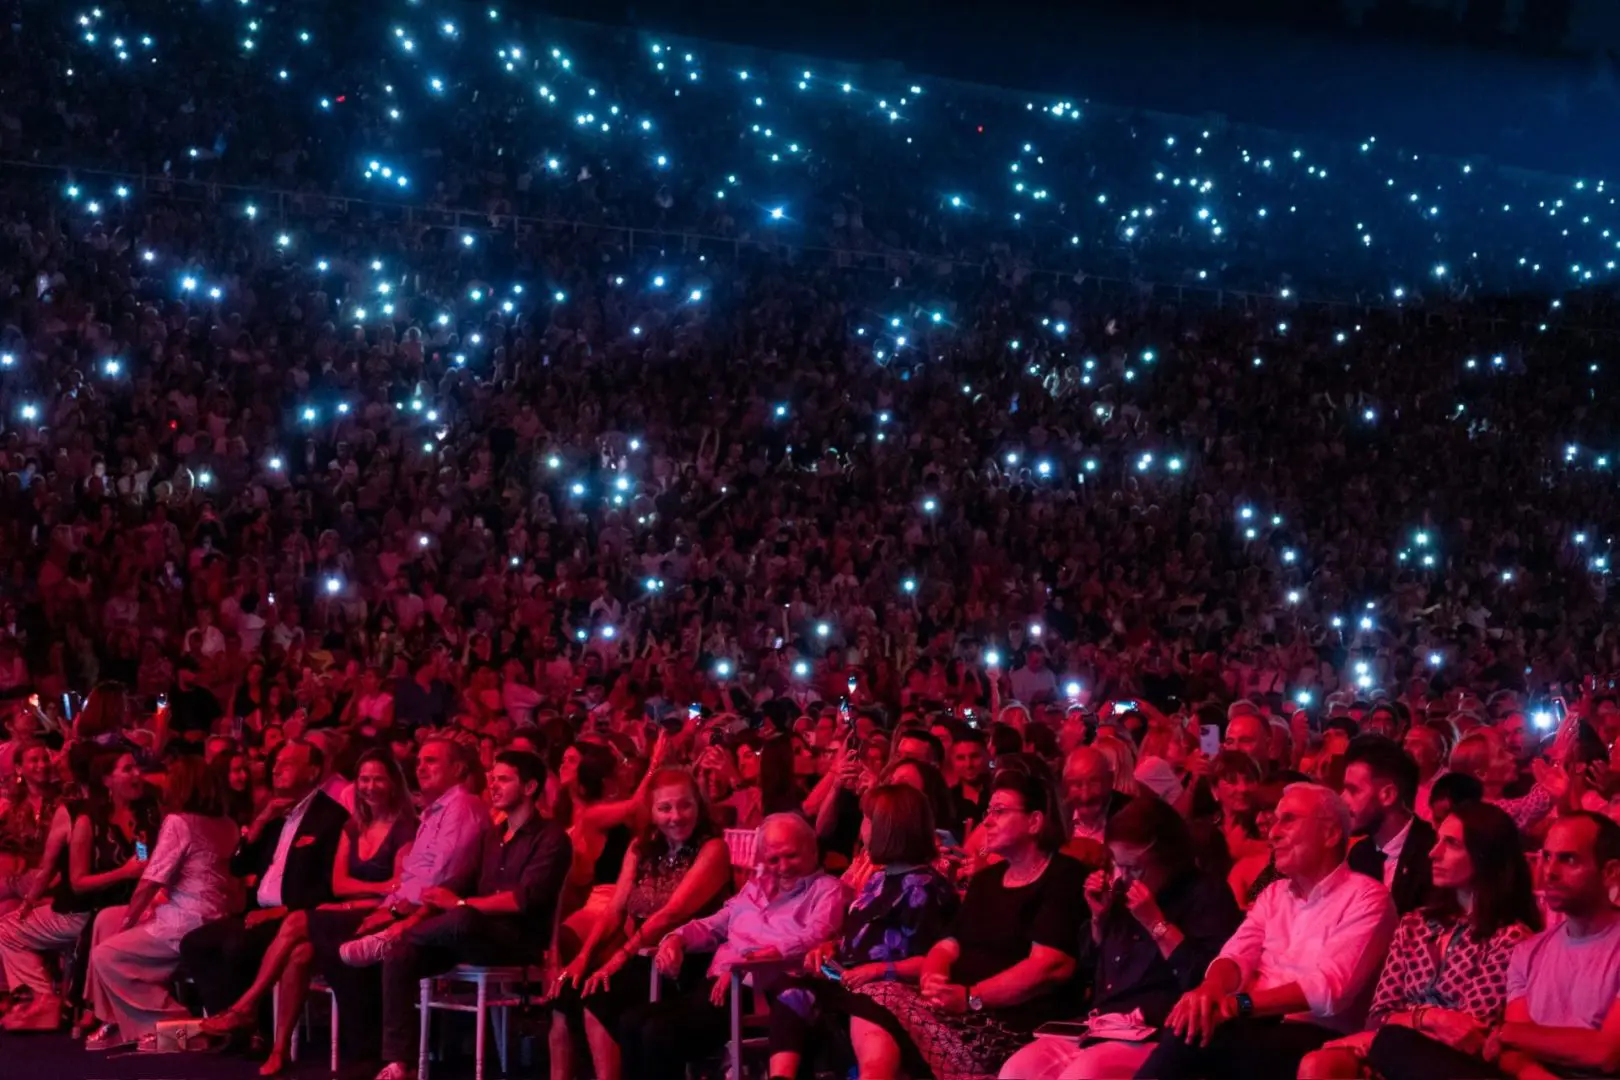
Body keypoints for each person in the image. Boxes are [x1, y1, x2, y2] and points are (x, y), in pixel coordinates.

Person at [1138, 783, 1397, 1080]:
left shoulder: (1367, 897)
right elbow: (1235, 956)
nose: (1273, 833)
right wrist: (1210, 990)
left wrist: (1238, 1005)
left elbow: (1328, 991)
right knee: (1191, 1020)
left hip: (1316, 1034)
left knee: (1192, 1036)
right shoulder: (1273, 894)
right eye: (1274, 821)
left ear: (1331, 834)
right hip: (1253, 1024)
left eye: (1289, 820)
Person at [848, 770, 1087, 1080]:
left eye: (1000, 811)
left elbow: (1049, 967)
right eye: (988, 811)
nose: (987, 821)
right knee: (873, 995)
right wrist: (934, 976)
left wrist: (972, 996)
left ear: (1035, 821)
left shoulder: (1063, 876)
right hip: (959, 1007)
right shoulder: (987, 879)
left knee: (880, 996)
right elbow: (948, 945)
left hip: (1010, 1024)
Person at [199, 748, 415, 1075]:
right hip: (347, 909)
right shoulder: (353, 826)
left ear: (394, 784)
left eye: (378, 779)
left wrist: (368, 897)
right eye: (364, 779)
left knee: (297, 920)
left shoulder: (404, 827)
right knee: (299, 954)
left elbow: (401, 886)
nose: (370, 787)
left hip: (379, 915)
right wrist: (375, 890)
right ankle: (279, 1048)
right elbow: (340, 884)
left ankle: (245, 1005)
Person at [997, 795, 1242, 1079]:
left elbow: (1206, 978)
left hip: (1157, 1029)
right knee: (1018, 1069)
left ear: (1167, 857)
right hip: (1101, 1022)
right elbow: (1089, 971)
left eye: (1135, 867)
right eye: (1118, 865)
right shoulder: (1123, 893)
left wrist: (1156, 923)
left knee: (1083, 1074)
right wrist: (1098, 920)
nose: (1124, 877)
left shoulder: (1205, 894)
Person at [1301, 801, 1540, 1079]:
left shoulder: (1510, 937)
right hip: (1391, 1047)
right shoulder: (1415, 924)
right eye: (1437, 840)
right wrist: (1431, 1017)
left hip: (1452, 1064)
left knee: (1386, 1045)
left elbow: (1468, 1033)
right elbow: (1379, 1016)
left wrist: (1399, 1024)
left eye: (1450, 844)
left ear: (1484, 856)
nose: (1433, 853)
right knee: (1317, 1063)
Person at [369, 751, 570, 1080]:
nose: (494, 785)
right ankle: (398, 1064)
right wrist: (428, 906)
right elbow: (458, 882)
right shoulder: (492, 835)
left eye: (504, 779)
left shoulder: (551, 837)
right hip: (467, 934)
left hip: (516, 940)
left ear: (531, 786)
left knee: (463, 918)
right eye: (492, 778)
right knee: (400, 955)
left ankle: (395, 938)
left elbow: (524, 900)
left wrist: (459, 905)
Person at [617, 814, 845, 1080]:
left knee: (658, 1031)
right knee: (631, 1021)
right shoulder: (755, 889)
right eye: (773, 859)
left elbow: (816, 936)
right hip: (715, 987)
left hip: (754, 992)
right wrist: (676, 938)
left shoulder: (827, 890)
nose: (782, 866)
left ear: (812, 850)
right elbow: (714, 924)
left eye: (791, 856)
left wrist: (744, 959)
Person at [308, 735, 489, 1062]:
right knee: (317, 931)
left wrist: (397, 914)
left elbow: (445, 872)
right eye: (419, 761)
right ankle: (366, 1043)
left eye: (432, 761)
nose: (421, 767)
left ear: (458, 768)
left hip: (430, 913)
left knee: (322, 932)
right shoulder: (433, 812)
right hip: (400, 906)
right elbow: (407, 878)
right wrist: (387, 907)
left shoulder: (463, 805)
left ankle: (369, 1047)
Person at [766, 784, 960, 1080]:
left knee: (866, 1001)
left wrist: (875, 971)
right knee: (791, 986)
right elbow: (860, 936)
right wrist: (829, 948)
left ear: (888, 828)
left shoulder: (924, 887)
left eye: (867, 819)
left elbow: (932, 962)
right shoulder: (878, 879)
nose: (861, 828)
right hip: (848, 980)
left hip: (891, 991)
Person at [551, 767, 730, 1080]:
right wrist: (584, 958)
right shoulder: (640, 847)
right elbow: (614, 910)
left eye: (685, 805)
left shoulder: (713, 848)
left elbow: (670, 915)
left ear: (698, 805)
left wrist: (619, 958)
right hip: (642, 959)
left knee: (601, 998)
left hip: (688, 964)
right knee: (569, 991)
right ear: (652, 811)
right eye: (665, 808)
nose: (676, 816)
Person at [178, 740, 349, 1026]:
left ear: (312, 771)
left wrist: (279, 911)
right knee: (194, 943)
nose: (277, 769)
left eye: (287, 763)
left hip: (294, 917)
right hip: (256, 911)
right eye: (275, 763)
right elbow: (238, 866)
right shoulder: (273, 814)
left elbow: (327, 886)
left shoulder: (331, 818)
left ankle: (255, 1028)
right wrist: (258, 825)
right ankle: (232, 1022)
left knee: (237, 946)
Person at [84, 755, 241, 1049]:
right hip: (210, 915)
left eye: (170, 777)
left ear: (183, 785)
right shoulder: (228, 823)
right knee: (106, 918)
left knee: (106, 955)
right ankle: (113, 1018)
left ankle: (181, 1027)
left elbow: (150, 881)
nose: (165, 782)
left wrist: (129, 922)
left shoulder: (179, 822)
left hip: (188, 920)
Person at [0, 752, 159, 1032]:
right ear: (107, 780)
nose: (137, 774)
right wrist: (30, 900)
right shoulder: (87, 818)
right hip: (91, 908)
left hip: (101, 912)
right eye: (128, 769)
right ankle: (41, 998)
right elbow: (77, 881)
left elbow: (139, 863)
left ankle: (45, 999)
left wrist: (133, 872)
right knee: (8, 924)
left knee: (5, 929)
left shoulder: (142, 814)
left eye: (137, 768)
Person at [1475, 813, 1620, 1078]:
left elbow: (1607, 1053)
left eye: (1569, 859)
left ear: (1610, 872)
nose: (1550, 872)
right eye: (1547, 857)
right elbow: (1515, 1055)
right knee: (1396, 1043)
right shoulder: (1528, 951)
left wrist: (1507, 1032)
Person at [1342, 735, 1436, 913]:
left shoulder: (1432, 853)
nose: (1343, 799)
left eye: (1353, 790)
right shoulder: (1360, 854)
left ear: (1388, 795)